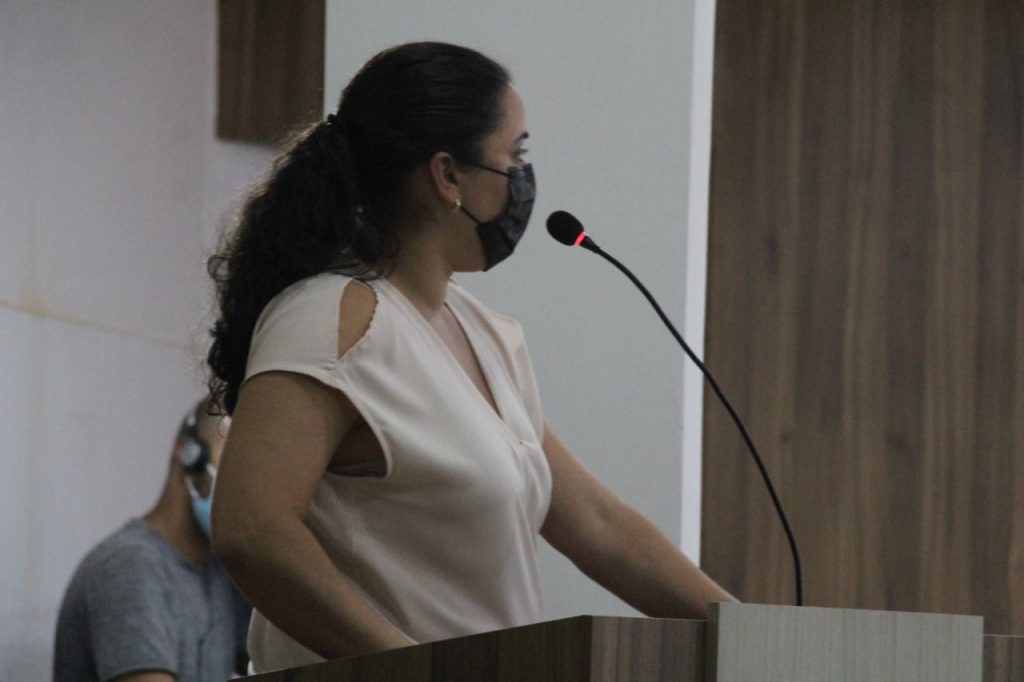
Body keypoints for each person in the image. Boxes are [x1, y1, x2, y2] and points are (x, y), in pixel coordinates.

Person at [206, 41, 736, 673]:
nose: (523, 179)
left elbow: (596, 523)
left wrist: (754, 632)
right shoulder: (332, 316)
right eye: (515, 157)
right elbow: (252, 531)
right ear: (448, 176)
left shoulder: (485, 332)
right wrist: (416, 669)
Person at [53, 400, 250, 681]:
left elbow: (274, 658)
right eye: (232, 464)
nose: (245, 487)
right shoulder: (129, 567)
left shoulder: (221, 574)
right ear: (189, 454)